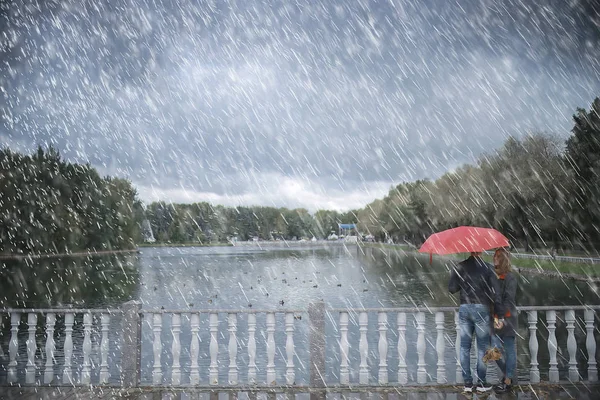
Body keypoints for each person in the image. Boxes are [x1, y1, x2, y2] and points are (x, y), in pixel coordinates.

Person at [449, 252, 505, 393]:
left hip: (465, 308)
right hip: (482, 308)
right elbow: (496, 294)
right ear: (480, 251)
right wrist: (500, 315)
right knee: (482, 348)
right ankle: (481, 383)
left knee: (464, 348)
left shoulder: (460, 266)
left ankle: (467, 383)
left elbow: (452, 289)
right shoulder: (488, 268)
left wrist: (460, 279)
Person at [491, 248, 518, 393]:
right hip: (495, 319)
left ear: (503, 260)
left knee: (509, 349)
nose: (495, 258)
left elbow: (509, 299)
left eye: (498, 256)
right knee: (492, 350)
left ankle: (507, 381)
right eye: (494, 256)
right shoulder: (493, 277)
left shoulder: (510, 278)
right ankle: (508, 375)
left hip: (507, 319)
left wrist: (501, 318)